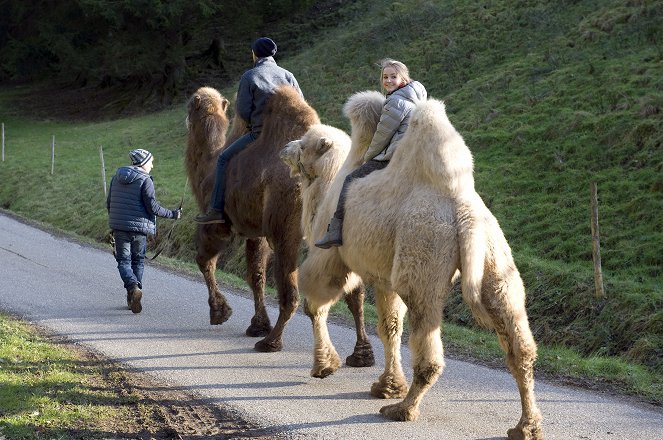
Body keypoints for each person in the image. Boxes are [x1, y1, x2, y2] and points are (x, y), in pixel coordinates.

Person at [315, 58, 427, 249]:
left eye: (393, 76)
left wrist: (368, 157)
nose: (388, 81)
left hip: (395, 154)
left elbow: (382, 136)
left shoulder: (396, 101)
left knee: (350, 180)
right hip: (414, 152)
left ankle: (335, 229)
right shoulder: (417, 94)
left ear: (403, 78)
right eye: (385, 77)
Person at [195, 37, 303, 224]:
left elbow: (243, 111)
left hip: (259, 135)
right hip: (286, 136)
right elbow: (299, 103)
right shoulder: (288, 75)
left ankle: (216, 210)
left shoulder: (250, 76)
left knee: (223, 159)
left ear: (254, 54)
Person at [107, 148, 182, 314]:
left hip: (120, 227)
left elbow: (109, 203)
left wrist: (114, 222)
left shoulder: (116, 178)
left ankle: (132, 293)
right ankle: (135, 288)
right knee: (138, 261)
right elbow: (153, 207)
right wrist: (173, 214)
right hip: (140, 230)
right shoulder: (145, 179)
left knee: (123, 262)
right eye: (151, 162)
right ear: (144, 162)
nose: (152, 165)